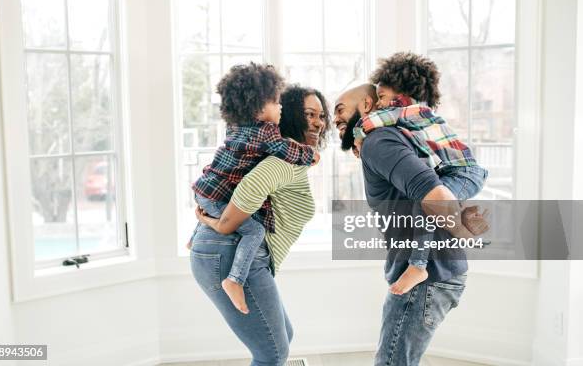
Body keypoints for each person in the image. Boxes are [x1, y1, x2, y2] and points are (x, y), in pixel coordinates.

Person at [335, 80, 488, 366]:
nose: (334, 119)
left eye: (340, 109)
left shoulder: (379, 142)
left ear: (366, 106)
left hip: (427, 276)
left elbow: (434, 196)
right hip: (432, 274)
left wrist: (463, 230)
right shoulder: (392, 137)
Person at [190, 84, 330, 366]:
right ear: (289, 114)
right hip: (232, 252)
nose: (318, 122)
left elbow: (227, 185)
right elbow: (247, 190)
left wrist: (205, 226)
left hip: (229, 251)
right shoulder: (283, 160)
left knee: (282, 339)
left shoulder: (283, 156)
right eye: (309, 114)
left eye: (321, 116)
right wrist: (218, 226)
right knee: (272, 353)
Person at [351, 52, 489, 295]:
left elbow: (377, 119)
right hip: (453, 171)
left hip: (465, 172)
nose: (379, 103)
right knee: (428, 203)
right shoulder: (412, 122)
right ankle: (464, 226)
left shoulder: (410, 111)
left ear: (402, 94)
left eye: (382, 96)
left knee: (426, 202)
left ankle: (418, 266)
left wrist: (359, 134)